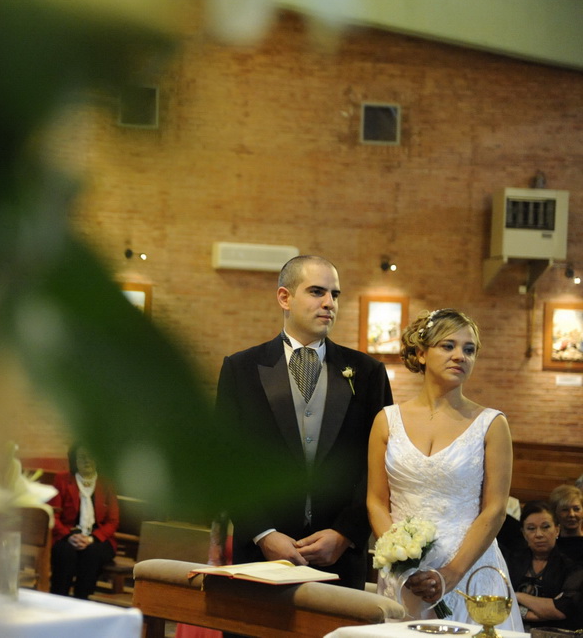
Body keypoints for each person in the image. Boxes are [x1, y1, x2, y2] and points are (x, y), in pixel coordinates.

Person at [216, 255, 393, 590]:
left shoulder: (368, 373)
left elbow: (380, 466)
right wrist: (263, 534)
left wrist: (346, 533)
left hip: (338, 562)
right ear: (285, 297)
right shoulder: (242, 369)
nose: (329, 303)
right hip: (259, 556)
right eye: (316, 292)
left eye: (335, 295)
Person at [367, 308, 523, 629]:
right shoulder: (387, 420)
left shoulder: (491, 424)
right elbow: (376, 501)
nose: (460, 356)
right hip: (402, 578)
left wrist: (451, 574)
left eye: (469, 350)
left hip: (469, 569)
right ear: (422, 354)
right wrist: (401, 563)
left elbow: (494, 509)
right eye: (448, 346)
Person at [48, 444, 119, 599]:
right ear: (74, 460)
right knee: (66, 552)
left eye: (91, 456)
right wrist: (69, 536)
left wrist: (91, 538)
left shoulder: (106, 483)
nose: (87, 461)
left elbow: (112, 521)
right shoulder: (62, 479)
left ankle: (83, 600)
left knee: (92, 553)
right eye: (82, 457)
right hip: (67, 535)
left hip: (97, 538)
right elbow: (53, 514)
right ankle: (58, 600)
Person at [508, 500, 583, 630]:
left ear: (557, 530)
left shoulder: (571, 565)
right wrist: (541, 610)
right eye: (531, 528)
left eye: (546, 527)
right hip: (511, 629)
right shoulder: (511, 560)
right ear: (524, 533)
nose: (539, 534)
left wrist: (517, 596)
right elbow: (499, 600)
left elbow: (561, 610)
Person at [550, 484, 583, 563]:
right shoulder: (550, 546)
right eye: (565, 510)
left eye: (576, 509)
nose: (571, 514)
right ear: (555, 513)